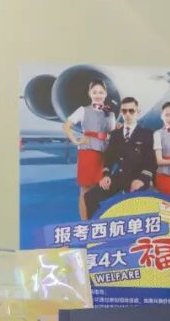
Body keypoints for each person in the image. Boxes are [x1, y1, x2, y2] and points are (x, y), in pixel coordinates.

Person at [83, 97, 155, 218]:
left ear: (138, 112)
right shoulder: (115, 134)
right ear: (121, 112)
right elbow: (109, 159)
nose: (127, 114)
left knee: (133, 207)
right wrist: (106, 176)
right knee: (90, 197)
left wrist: (142, 179)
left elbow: (150, 161)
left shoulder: (147, 134)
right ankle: (97, 226)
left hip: (137, 178)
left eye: (131, 111)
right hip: (119, 177)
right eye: (124, 111)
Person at [63, 79, 116, 220]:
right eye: (95, 92)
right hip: (87, 151)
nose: (98, 95)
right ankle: (85, 223)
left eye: (101, 92)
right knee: (86, 189)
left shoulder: (110, 113)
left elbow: (112, 134)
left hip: (104, 153)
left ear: (105, 94)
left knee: (100, 188)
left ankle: (96, 220)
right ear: (89, 93)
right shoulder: (83, 110)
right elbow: (66, 126)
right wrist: (76, 140)